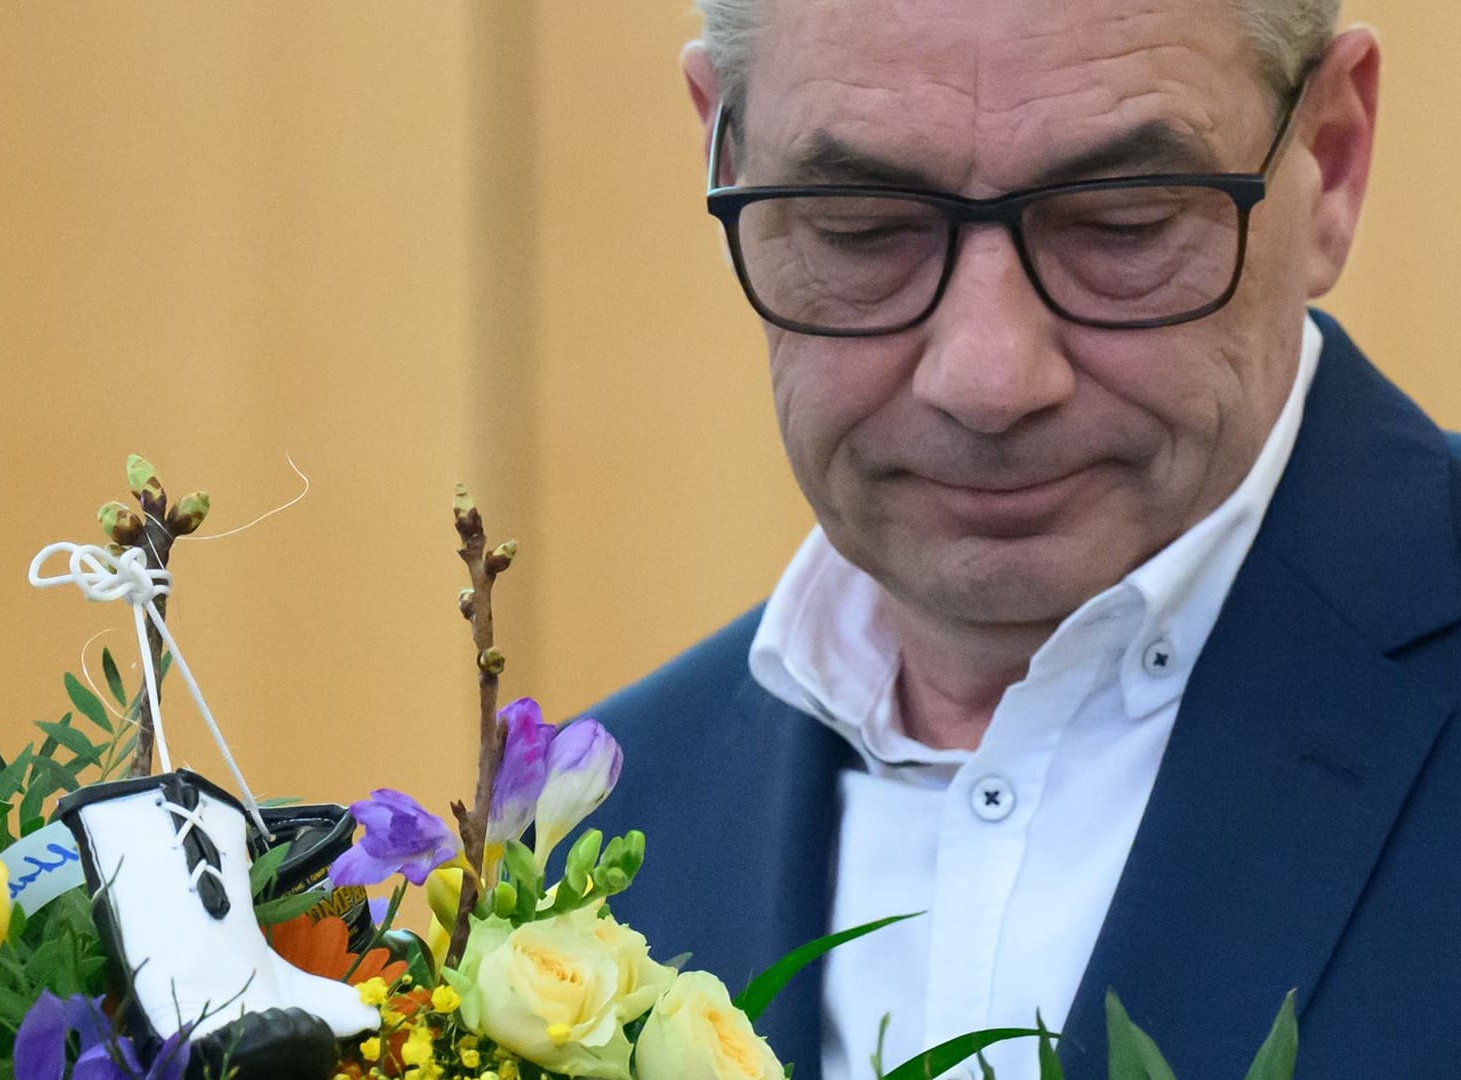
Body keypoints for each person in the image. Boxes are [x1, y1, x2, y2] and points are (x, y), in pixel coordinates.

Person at [585, 0, 1461, 1076]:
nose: (988, 379)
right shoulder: (595, 845)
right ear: (724, 156)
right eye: (863, 227)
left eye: (1122, 223)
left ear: (1330, 158)